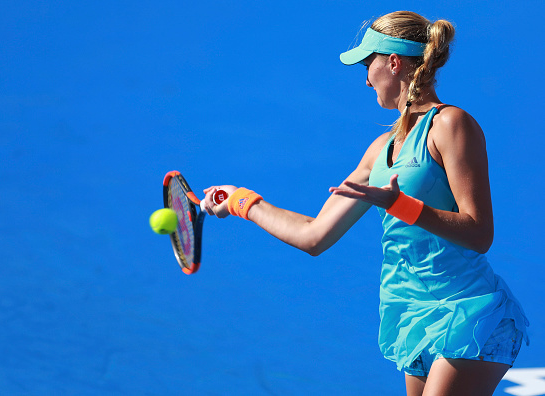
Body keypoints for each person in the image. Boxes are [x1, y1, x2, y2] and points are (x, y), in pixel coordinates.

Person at [202, 10, 529, 396]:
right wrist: (241, 201)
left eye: (368, 63)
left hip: (469, 311)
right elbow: (314, 236)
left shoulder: (451, 124)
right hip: (412, 314)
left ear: (393, 63)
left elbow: (479, 233)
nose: (365, 76)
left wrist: (401, 205)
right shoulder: (379, 152)